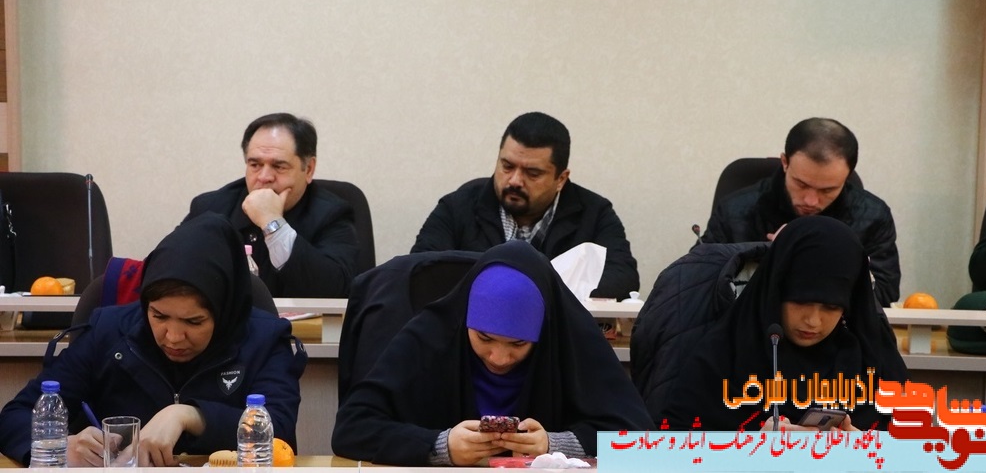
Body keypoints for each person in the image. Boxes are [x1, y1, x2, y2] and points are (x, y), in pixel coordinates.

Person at [0, 213, 307, 467]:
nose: (173, 337)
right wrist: (58, 446)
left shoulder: (264, 339)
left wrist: (190, 415)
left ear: (224, 310)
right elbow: (14, 417)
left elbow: (279, 431)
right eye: (159, 316)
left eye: (193, 321)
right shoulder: (109, 331)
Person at [332, 241, 654, 465]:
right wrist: (439, 446)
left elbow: (642, 440)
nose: (498, 358)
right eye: (484, 338)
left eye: (519, 344)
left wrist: (555, 445)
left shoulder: (568, 343)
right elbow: (352, 428)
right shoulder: (430, 339)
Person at [661, 216, 908, 431]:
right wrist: (751, 446)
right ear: (775, 291)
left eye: (831, 307)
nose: (813, 321)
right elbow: (672, 444)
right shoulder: (725, 355)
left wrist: (866, 446)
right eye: (800, 301)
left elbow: (915, 445)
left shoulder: (872, 362)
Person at [411, 112, 639, 300]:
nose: (515, 181)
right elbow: (420, 269)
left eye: (532, 173)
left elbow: (623, 278)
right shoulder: (458, 206)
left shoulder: (595, 213)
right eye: (507, 166)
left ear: (561, 179)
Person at [701, 117, 900, 307]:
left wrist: (815, 260)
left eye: (827, 190)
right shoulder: (735, 211)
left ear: (846, 177)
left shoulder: (872, 217)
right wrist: (767, 258)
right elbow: (699, 282)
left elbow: (885, 293)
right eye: (801, 184)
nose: (810, 201)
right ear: (785, 162)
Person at [184, 112, 359, 297]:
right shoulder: (211, 208)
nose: (264, 177)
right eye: (255, 165)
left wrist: (272, 223)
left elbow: (336, 291)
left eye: (279, 166)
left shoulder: (332, 214)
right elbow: (173, 269)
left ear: (308, 169)